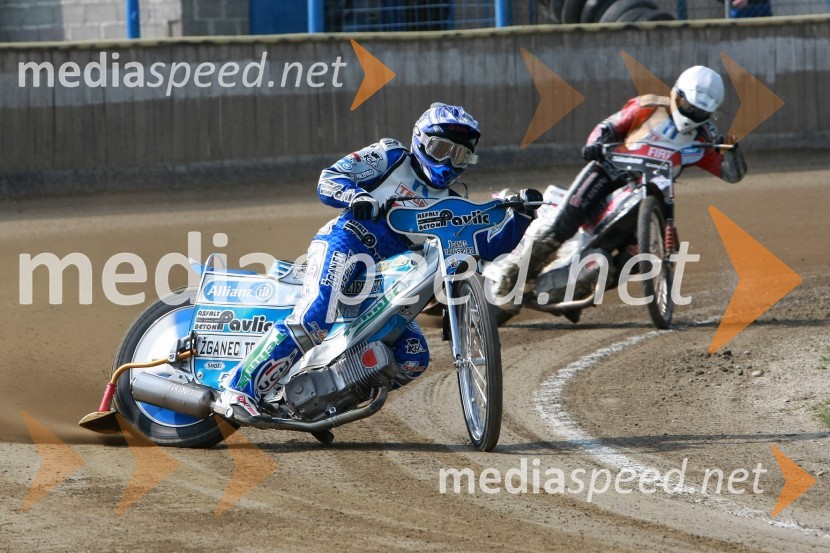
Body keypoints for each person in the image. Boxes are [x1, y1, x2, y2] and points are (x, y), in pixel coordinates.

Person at [213, 103, 540, 423]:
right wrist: (356, 197)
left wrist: (523, 217)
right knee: (316, 316)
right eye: (440, 149)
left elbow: (483, 247)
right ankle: (237, 389)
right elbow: (330, 178)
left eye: (458, 155)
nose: (447, 162)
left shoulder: (453, 203)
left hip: (391, 276)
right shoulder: (390, 156)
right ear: (420, 141)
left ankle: (319, 402)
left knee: (413, 358)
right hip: (347, 241)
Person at [486, 65, 748, 320]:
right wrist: (595, 146)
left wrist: (733, 152)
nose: (692, 114)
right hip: (609, 171)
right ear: (677, 95)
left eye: (700, 112)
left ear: (710, 114)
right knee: (560, 227)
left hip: (652, 195)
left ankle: (571, 288)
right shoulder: (648, 106)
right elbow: (607, 127)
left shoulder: (705, 137)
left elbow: (731, 174)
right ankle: (508, 278)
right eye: (689, 106)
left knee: (636, 259)